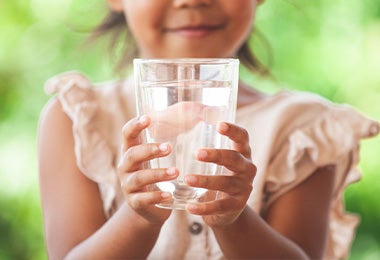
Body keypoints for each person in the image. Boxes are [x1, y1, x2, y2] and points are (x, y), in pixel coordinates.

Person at [37, 0, 379, 259]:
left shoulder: (307, 131)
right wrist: (139, 217)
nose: (192, 0)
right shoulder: (76, 120)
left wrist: (232, 219)